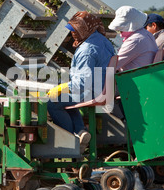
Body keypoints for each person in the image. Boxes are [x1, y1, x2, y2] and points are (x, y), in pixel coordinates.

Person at [47, 11, 115, 152]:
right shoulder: (103, 40)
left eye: (76, 30)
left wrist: (61, 88)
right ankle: (80, 132)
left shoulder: (86, 50)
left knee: (53, 102)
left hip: (92, 91)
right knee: (66, 101)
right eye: (72, 30)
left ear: (86, 28)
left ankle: (71, 142)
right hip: (103, 88)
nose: (73, 33)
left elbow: (83, 83)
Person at [108, 6, 158, 72]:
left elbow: (113, 65)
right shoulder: (147, 34)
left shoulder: (135, 40)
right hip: (144, 75)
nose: (119, 29)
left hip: (132, 78)